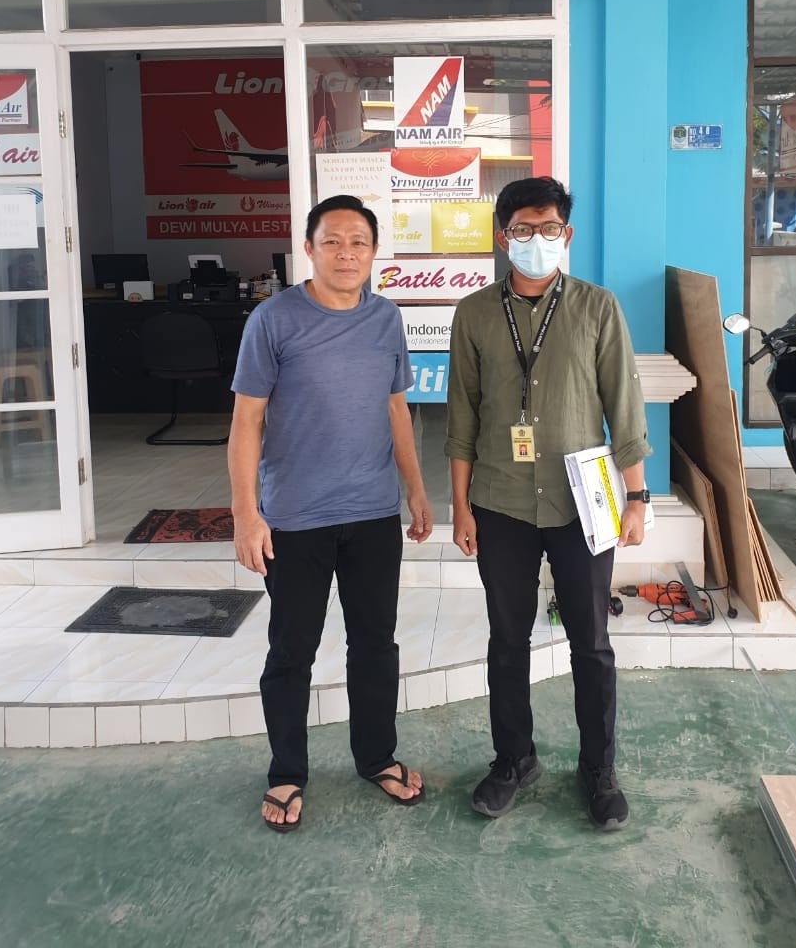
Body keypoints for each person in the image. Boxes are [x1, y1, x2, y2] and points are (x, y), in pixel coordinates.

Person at [445, 176, 651, 832]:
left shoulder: (597, 307)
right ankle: (514, 760)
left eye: (549, 228)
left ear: (568, 234)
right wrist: (460, 507)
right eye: (523, 230)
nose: (537, 240)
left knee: (591, 642)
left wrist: (638, 497)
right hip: (500, 501)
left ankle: (599, 769)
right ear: (502, 237)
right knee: (507, 640)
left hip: (581, 504)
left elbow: (624, 407)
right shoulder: (474, 314)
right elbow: (461, 416)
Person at [229, 194, 433, 833]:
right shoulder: (273, 320)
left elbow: (395, 408)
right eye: (333, 241)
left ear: (374, 251)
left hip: (372, 513)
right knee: (293, 650)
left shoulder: (385, 318)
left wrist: (416, 489)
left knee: (375, 644)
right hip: (295, 519)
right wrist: (245, 514)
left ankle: (376, 757)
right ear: (309, 248)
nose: (347, 253)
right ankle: (287, 771)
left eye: (359, 242)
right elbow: (246, 420)